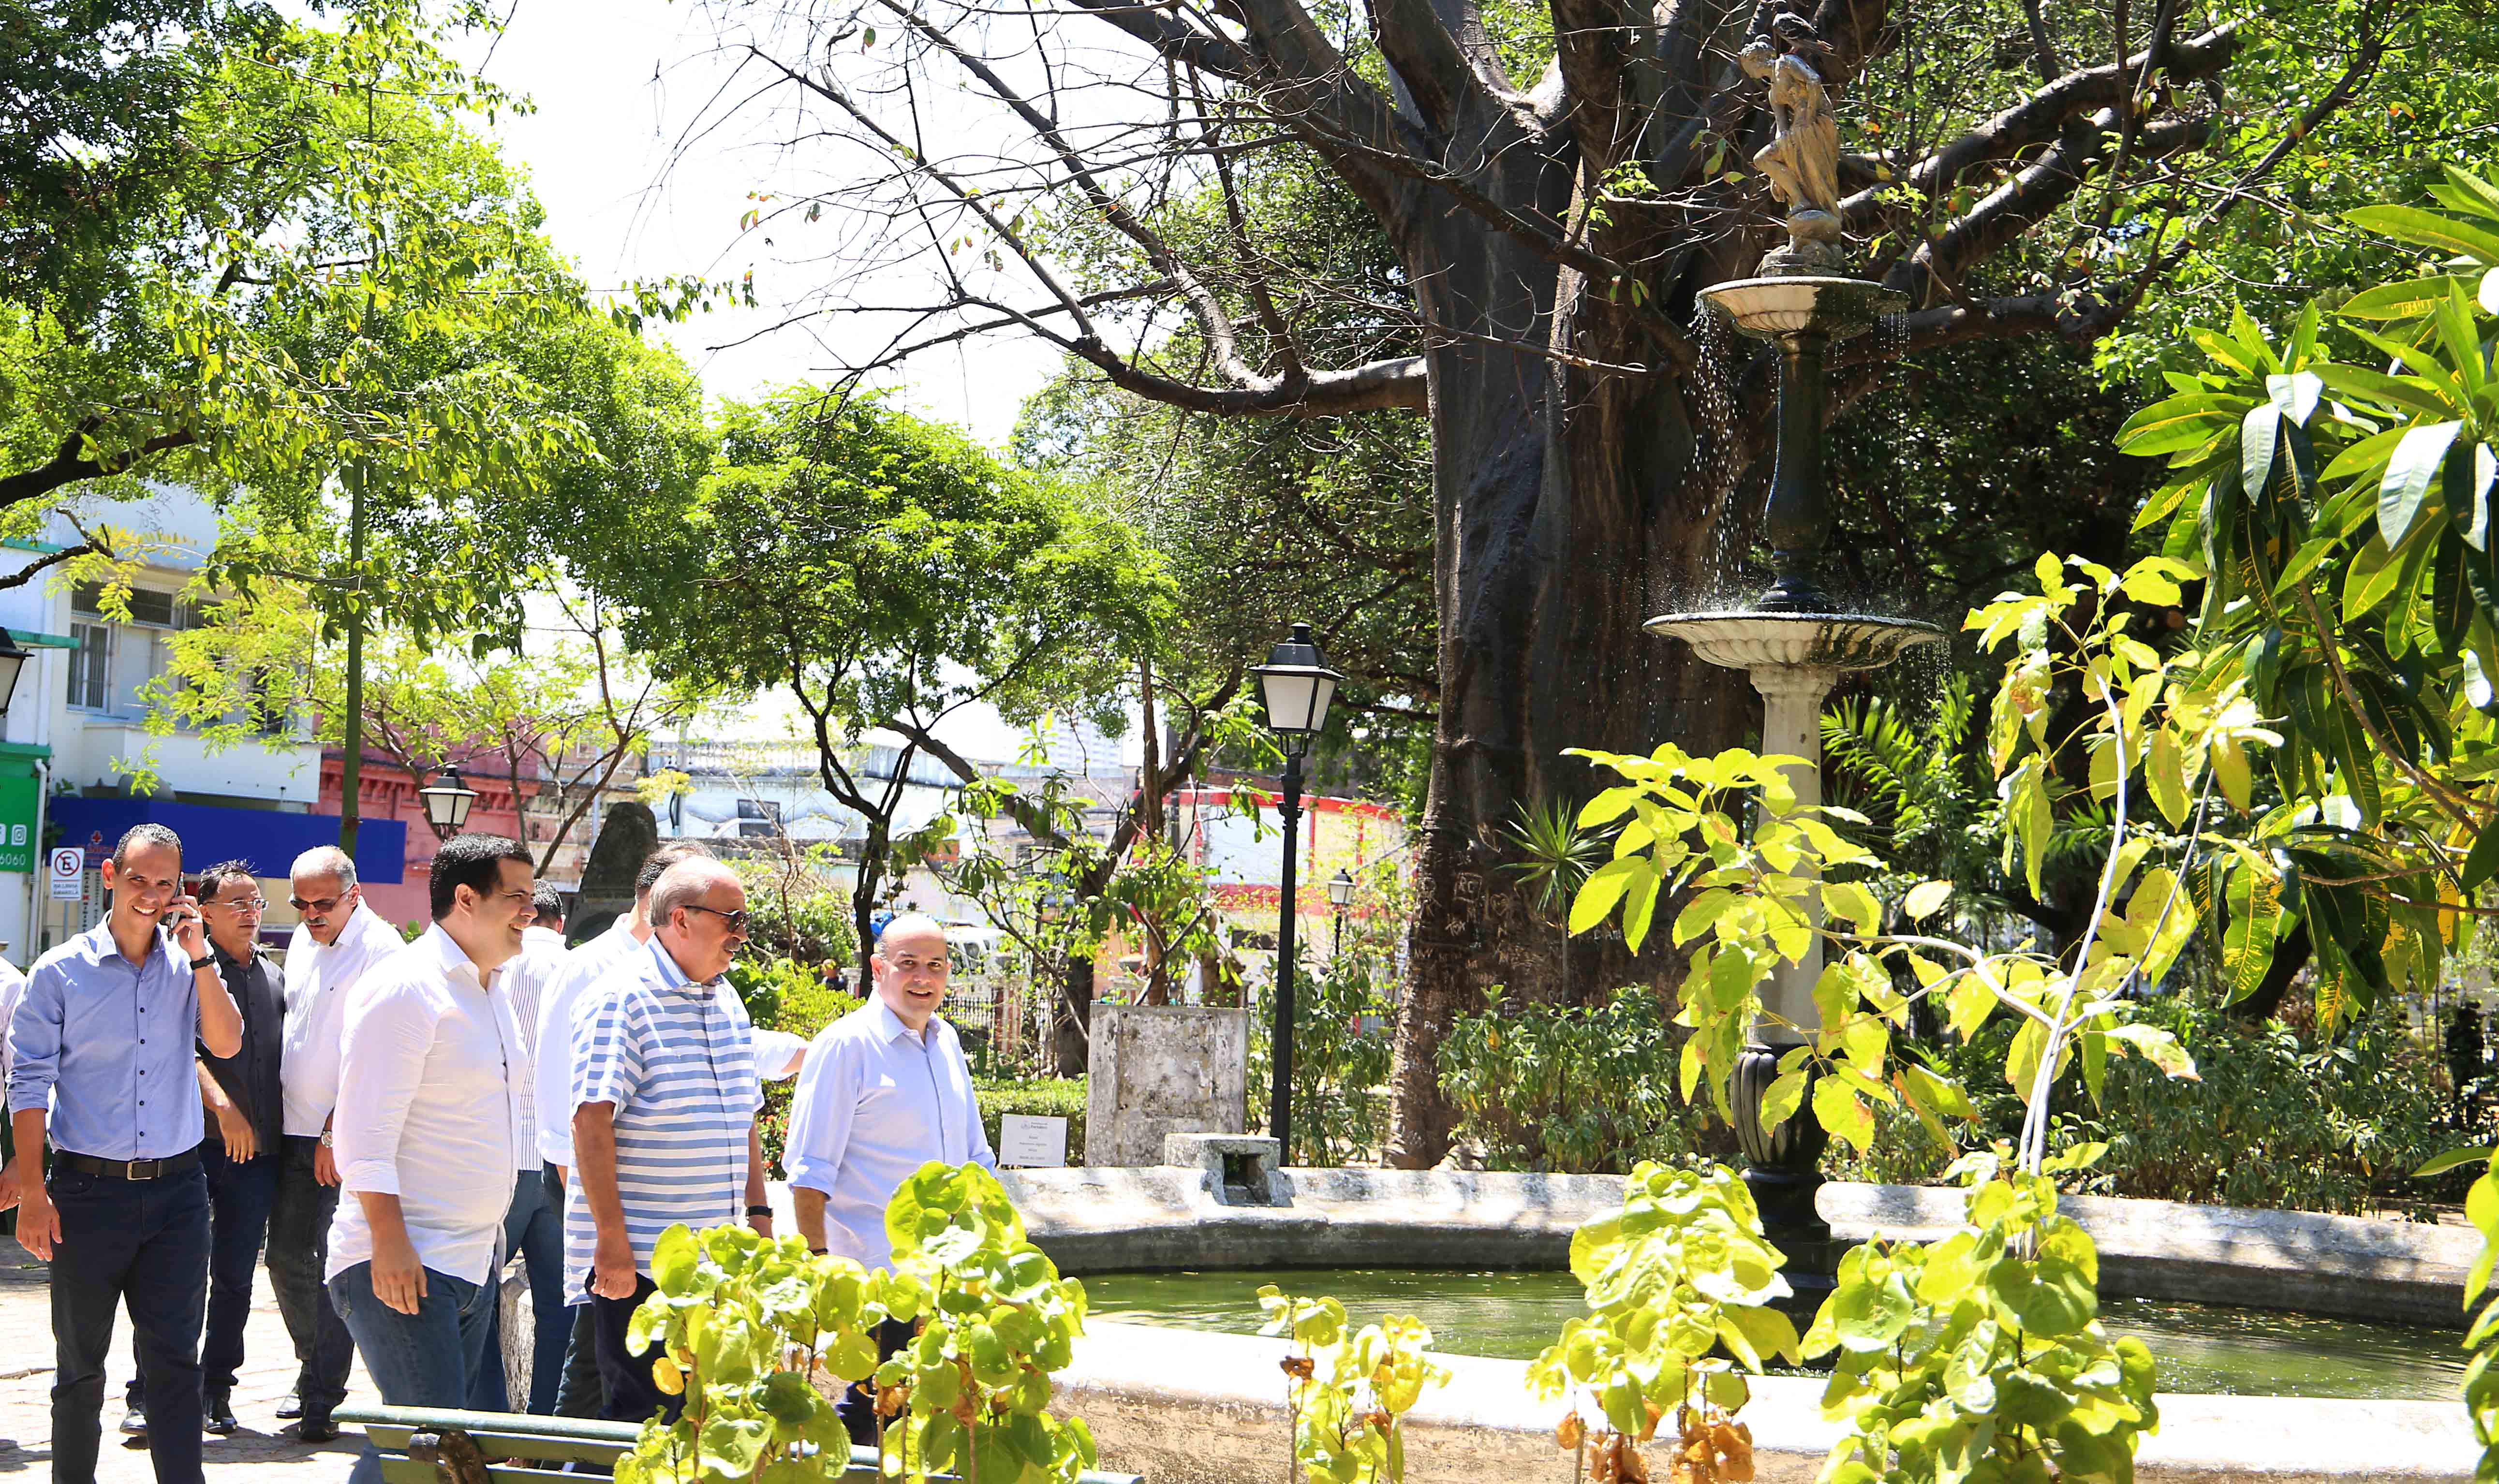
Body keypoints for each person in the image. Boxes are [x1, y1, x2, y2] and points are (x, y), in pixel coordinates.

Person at [533, 842, 806, 1418]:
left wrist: (758, 1216)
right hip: (641, 1265)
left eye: (746, 920)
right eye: (732, 920)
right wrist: (610, 1241)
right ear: (680, 919)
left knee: (701, 1420)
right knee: (645, 1422)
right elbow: (589, 1122)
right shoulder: (618, 997)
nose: (742, 933)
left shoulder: (725, 997)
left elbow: (743, 1114)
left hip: (716, 1262)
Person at [9, 823, 243, 1484]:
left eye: (163, 883)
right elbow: (27, 1085)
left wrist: (201, 957)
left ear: (179, 890)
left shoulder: (189, 965)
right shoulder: (59, 972)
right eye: (137, 879)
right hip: (88, 1196)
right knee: (79, 1368)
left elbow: (225, 1045)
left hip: (177, 1196)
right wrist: (33, 1190)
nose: (149, 893)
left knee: (174, 1365)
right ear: (110, 877)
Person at [326, 833, 533, 1484]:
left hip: (468, 1259)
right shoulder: (406, 986)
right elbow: (361, 1136)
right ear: (466, 899)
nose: (531, 911)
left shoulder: (491, 987)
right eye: (517, 897)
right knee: (431, 1447)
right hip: (402, 1260)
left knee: (423, 1445)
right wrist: (389, 1240)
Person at [785, 912, 995, 1446]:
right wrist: (817, 1263)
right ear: (878, 969)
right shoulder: (845, 1046)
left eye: (935, 966)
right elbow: (809, 1169)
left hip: (946, 1274)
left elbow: (977, 1159)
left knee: (923, 1417)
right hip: (878, 1275)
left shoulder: (946, 1042)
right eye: (908, 965)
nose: (922, 978)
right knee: (873, 1411)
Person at [124, 862, 285, 1440]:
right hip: (195, 1149)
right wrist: (223, 1107)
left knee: (237, 1277)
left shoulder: (275, 977)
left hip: (260, 1158)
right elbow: (180, 1051)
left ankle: (217, 1389)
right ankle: (149, 1393)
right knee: (172, 1277)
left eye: (257, 902)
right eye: (237, 903)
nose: (250, 913)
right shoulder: (178, 970)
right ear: (206, 910)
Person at [270, 845, 400, 1442]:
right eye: (301, 903)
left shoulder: (383, 951)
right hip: (288, 1130)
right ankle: (311, 1371)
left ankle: (323, 1395)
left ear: (355, 894)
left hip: (338, 1137)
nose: (311, 914)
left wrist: (332, 1130)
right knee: (285, 1260)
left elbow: (374, 1055)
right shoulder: (303, 940)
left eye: (323, 903)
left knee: (330, 1267)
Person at [467, 881, 570, 1415]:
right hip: (559, 1166)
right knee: (560, 1307)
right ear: (561, 924)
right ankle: (549, 1425)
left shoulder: (494, 969)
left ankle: (487, 1417)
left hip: (501, 1161)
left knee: (476, 1299)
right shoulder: (579, 972)